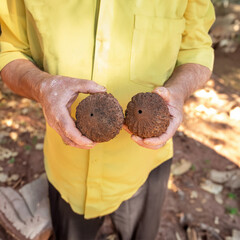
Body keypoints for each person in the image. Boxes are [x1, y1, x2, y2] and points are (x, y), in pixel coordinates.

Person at [0, 1, 215, 239]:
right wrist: (42, 87)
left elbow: (197, 49)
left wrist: (179, 90)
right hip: (67, 171)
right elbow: (10, 51)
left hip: (144, 167)